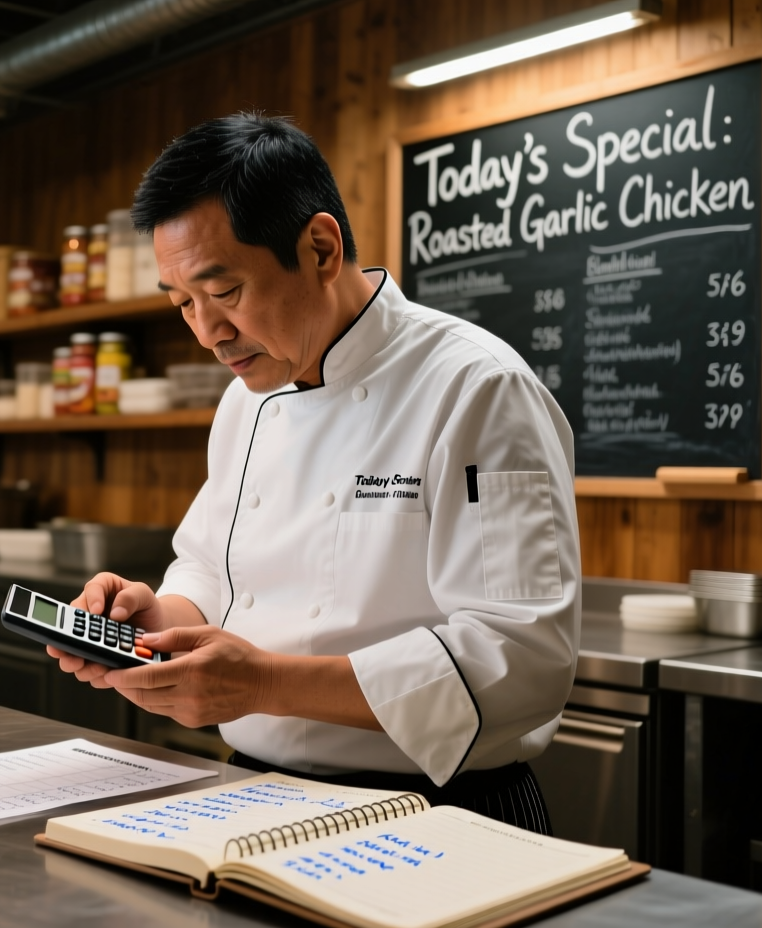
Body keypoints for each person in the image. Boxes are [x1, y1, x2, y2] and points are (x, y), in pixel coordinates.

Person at [48, 113, 578, 834]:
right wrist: (154, 624)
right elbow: (211, 571)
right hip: (257, 801)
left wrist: (262, 681)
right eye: (183, 305)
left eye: (225, 291)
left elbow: (520, 660)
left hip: (441, 816)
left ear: (320, 247)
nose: (208, 332)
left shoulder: (476, 388)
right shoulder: (246, 401)